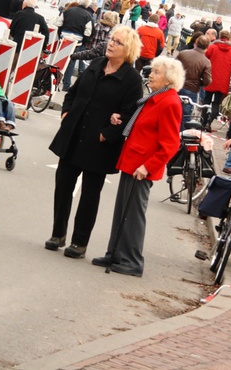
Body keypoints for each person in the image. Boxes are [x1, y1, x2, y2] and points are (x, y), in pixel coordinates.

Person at [46, 25, 143, 259]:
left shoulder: (131, 79)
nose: (111, 44)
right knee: (63, 186)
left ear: (128, 49)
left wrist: (108, 133)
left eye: (118, 42)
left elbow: (131, 114)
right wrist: (65, 112)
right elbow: (73, 92)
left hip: (98, 144)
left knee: (90, 195)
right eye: (111, 39)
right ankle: (58, 234)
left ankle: (80, 242)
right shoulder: (96, 65)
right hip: (74, 134)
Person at [91, 56, 183, 276]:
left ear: (168, 80)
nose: (151, 74)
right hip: (133, 161)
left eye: (157, 72)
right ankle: (115, 253)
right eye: (152, 71)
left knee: (133, 214)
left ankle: (132, 260)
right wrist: (120, 119)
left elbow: (170, 144)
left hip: (142, 166)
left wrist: (148, 166)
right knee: (122, 211)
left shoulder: (169, 102)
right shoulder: (155, 98)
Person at [202, 30, 231, 130]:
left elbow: (205, 58)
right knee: (216, 103)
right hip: (223, 81)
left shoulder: (213, 47)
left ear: (219, 36)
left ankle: (203, 121)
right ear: (228, 38)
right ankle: (210, 121)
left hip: (211, 77)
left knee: (207, 100)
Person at [175, 34, 211, 124]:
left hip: (177, 85)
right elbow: (207, 80)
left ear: (196, 42)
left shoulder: (183, 53)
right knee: (185, 116)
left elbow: (173, 67)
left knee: (172, 112)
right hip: (191, 89)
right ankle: (180, 135)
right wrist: (200, 83)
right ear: (207, 46)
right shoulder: (206, 61)